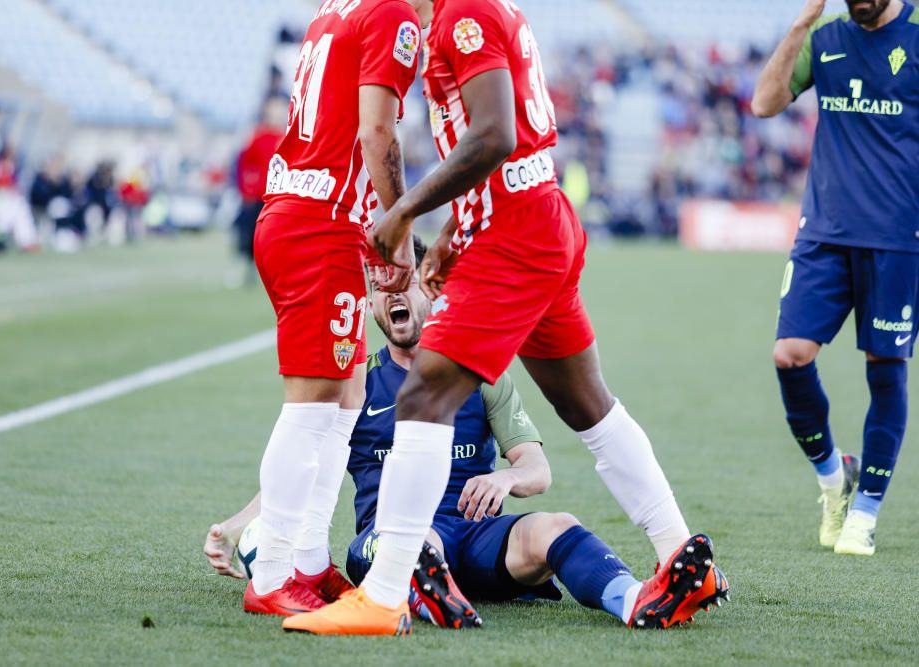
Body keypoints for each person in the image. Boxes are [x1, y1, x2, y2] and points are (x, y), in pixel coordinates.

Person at [286, 0, 728, 636]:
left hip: (516, 233)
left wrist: (406, 209)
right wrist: (455, 234)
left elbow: (495, 136)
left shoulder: (464, 13)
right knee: (588, 407)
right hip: (533, 215)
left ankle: (383, 595)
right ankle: (680, 554)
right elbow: (510, 151)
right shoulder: (480, 10)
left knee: (423, 395)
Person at [208, 238, 728, 634]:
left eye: (402, 282)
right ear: (368, 306)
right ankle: (424, 585)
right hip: (389, 538)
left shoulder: (479, 374)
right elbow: (304, 469)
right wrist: (236, 527)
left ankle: (637, 598)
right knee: (417, 541)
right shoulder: (358, 385)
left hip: (479, 538)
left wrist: (505, 479)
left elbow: (537, 469)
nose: (391, 294)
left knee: (556, 525)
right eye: (379, 288)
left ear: (429, 288)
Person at [241, 0, 428, 617]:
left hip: (300, 211)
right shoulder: (393, 13)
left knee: (344, 398)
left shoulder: (336, 8)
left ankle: (308, 562)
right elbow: (377, 132)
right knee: (313, 407)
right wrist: (399, 232)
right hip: (319, 224)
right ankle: (270, 573)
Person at [751, 0, 919, 556]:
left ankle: (864, 513)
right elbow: (764, 102)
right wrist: (800, 23)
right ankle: (833, 480)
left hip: (898, 239)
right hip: (824, 233)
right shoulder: (823, 38)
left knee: (885, 367)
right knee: (789, 354)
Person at [234, 97, 287, 278]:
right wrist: (246, 189)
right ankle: (249, 268)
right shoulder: (258, 136)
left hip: (281, 195)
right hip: (260, 195)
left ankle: (276, 268)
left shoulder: (288, 135)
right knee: (253, 233)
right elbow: (243, 163)